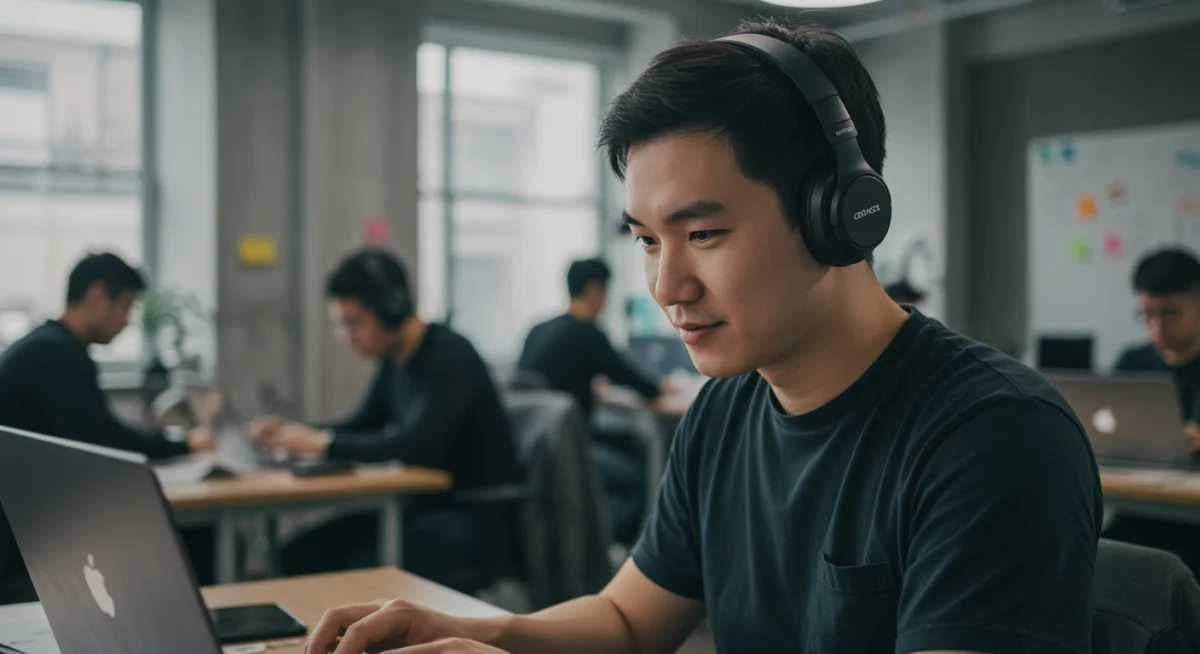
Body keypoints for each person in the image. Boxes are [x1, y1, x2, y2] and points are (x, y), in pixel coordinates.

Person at [305, 19, 1101, 654]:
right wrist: (479, 633)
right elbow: (625, 623)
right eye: (648, 239)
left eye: (705, 234)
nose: (665, 287)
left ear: (842, 215)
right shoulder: (724, 412)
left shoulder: (995, 437)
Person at [251, 249, 521, 591]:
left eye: (354, 325)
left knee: (364, 567)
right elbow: (360, 424)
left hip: (475, 516)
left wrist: (323, 444)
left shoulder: (450, 356)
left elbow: (415, 447)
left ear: (392, 309)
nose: (349, 339)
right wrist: (291, 434)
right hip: (420, 508)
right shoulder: (394, 360)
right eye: (342, 328)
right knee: (299, 553)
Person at [0, 252, 213, 601]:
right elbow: (106, 441)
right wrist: (185, 444)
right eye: (126, 307)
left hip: (26, 521)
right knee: (190, 535)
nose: (128, 322)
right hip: (22, 543)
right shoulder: (56, 355)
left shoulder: (45, 345)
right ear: (98, 296)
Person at [518, 257, 663, 544]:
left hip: (533, 453)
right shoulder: (587, 332)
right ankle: (601, 544)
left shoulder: (539, 328)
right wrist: (663, 388)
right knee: (639, 480)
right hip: (571, 451)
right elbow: (639, 383)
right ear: (596, 291)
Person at [1106, 248, 1200, 571]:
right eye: (1147, 314)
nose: (1157, 326)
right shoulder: (1133, 361)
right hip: (1142, 510)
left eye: (1171, 312)